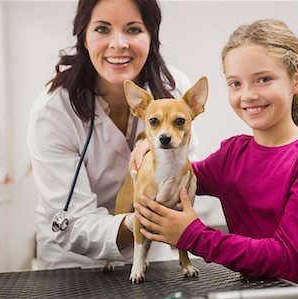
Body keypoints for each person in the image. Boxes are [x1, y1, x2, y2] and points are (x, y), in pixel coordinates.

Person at [132, 19, 298, 298]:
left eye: (263, 79)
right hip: (254, 292)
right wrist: (147, 148)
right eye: (235, 83)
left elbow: (287, 259)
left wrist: (193, 235)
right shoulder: (232, 155)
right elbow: (180, 174)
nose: (248, 94)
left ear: (297, 78)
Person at [27, 0, 195, 270]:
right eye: (102, 29)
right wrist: (138, 221)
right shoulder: (53, 112)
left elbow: (183, 180)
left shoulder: (176, 92)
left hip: (154, 254)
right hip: (76, 262)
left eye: (133, 29)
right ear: (83, 37)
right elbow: (73, 219)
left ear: (152, 36)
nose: (119, 44)